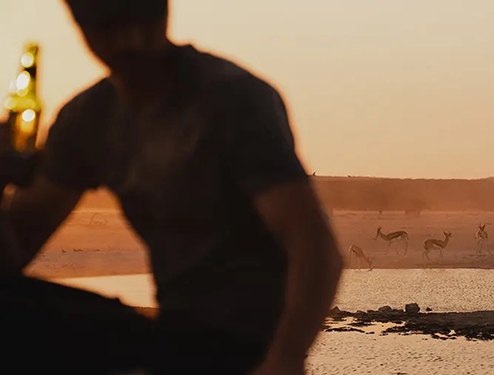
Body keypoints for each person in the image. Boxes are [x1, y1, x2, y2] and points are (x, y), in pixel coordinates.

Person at [0, 0, 343, 374]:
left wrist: (286, 357)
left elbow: (312, 243)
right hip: (174, 333)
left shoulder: (230, 99)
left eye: (141, 19)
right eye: (108, 26)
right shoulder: (89, 117)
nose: (129, 40)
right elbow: (17, 248)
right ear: (81, 25)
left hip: (248, 343)